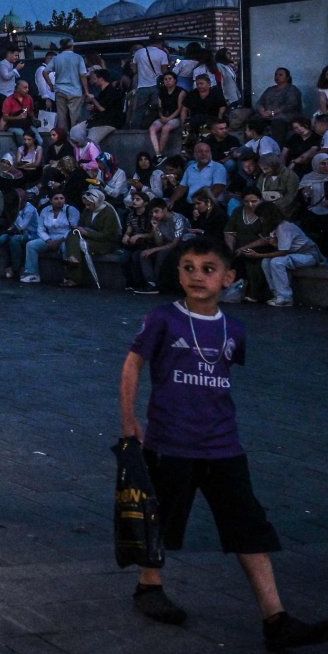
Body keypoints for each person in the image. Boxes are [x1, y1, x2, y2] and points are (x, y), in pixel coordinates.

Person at [118, 237, 328, 649]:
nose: (198, 276)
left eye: (208, 269)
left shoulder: (235, 329)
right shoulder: (163, 319)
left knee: (249, 527)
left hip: (223, 446)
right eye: (189, 267)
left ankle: (276, 617)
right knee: (161, 519)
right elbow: (133, 362)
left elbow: (222, 376)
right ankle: (149, 586)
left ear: (228, 277)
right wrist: (130, 420)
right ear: (178, 273)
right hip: (171, 442)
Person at [251, 219, 324, 309]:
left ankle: (285, 297)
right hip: (294, 255)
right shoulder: (274, 229)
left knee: (277, 262)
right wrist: (274, 243)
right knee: (266, 261)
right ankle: (277, 294)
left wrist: (259, 255)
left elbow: (283, 252)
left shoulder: (284, 227)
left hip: (308, 255)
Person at [61, 187, 120, 288]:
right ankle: (74, 258)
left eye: (89, 204)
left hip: (105, 242)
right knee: (73, 234)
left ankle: (74, 276)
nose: (87, 207)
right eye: (86, 205)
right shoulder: (87, 211)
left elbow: (107, 235)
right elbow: (82, 225)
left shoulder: (108, 213)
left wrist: (87, 233)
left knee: (79, 246)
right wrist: (80, 229)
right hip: (89, 238)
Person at [133, 199, 193, 296]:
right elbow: (159, 242)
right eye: (152, 212)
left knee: (161, 254)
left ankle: (158, 283)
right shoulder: (158, 220)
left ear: (165, 209)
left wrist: (154, 249)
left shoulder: (177, 219)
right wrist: (155, 228)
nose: (154, 215)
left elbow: (175, 243)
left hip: (181, 245)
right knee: (143, 254)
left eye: (156, 211)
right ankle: (151, 283)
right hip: (165, 245)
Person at [20, 191, 78, 284]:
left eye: (61, 198)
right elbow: (40, 228)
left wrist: (59, 241)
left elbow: (73, 229)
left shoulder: (71, 210)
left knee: (65, 247)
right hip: (49, 238)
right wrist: (48, 240)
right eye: (56, 198)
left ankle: (68, 276)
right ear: (51, 200)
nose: (59, 201)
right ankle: (32, 274)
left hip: (66, 238)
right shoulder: (45, 210)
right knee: (31, 245)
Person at [129, 34, 171, 128]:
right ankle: (152, 126)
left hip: (142, 85)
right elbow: (164, 71)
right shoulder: (162, 53)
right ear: (160, 43)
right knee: (157, 107)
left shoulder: (138, 53)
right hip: (157, 86)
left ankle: (135, 129)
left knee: (139, 109)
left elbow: (134, 70)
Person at [51, 39, 88, 137]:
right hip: (75, 91)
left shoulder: (56, 58)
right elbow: (83, 75)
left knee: (61, 117)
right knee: (75, 118)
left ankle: (63, 140)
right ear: (71, 46)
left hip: (60, 90)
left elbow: (45, 72)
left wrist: (51, 86)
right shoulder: (78, 57)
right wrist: (87, 91)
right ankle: (75, 139)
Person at [149, 73, 187, 158]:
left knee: (166, 128)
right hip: (163, 116)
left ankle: (160, 152)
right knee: (152, 128)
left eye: (170, 79)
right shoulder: (161, 91)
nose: (167, 81)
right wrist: (161, 116)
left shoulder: (181, 92)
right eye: (165, 79)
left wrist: (169, 118)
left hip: (175, 117)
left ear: (175, 80)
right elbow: (160, 107)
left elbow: (179, 108)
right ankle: (157, 153)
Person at [0, 46, 22, 130]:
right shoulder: (2, 64)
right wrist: (16, 69)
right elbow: (6, 76)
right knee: (2, 117)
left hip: (9, 95)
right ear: (9, 54)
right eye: (15, 55)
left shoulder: (10, 65)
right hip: (1, 95)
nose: (17, 58)